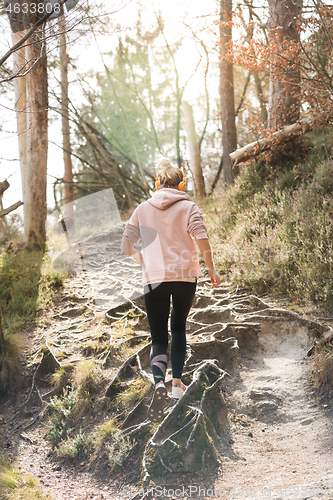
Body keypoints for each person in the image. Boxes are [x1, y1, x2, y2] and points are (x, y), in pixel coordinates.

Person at [121, 157, 220, 422]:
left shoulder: (142, 208)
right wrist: (212, 270)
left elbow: (126, 243)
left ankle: (159, 384)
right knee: (178, 328)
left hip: (154, 279)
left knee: (158, 335)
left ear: (156, 182)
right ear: (182, 183)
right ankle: (177, 383)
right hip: (185, 277)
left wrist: (138, 256)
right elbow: (202, 240)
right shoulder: (188, 207)